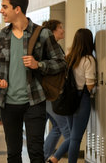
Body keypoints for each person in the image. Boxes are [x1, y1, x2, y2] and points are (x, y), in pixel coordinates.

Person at [0, 0, 66, 162]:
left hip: (34, 101)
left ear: (17, 9)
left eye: (4, 7)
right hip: (7, 103)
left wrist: (38, 64)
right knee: (13, 153)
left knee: (36, 152)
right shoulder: (1, 36)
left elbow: (61, 63)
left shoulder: (42, 34)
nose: (1, 11)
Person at [47, 28, 96, 163]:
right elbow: (90, 85)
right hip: (82, 99)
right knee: (75, 138)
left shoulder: (69, 57)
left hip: (68, 99)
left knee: (72, 135)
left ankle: (54, 159)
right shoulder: (88, 60)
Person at [41, 20, 69, 160]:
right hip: (51, 95)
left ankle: (43, 156)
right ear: (52, 32)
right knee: (68, 131)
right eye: (60, 28)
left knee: (57, 127)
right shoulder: (49, 49)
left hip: (49, 95)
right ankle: (51, 157)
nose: (63, 30)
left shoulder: (57, 47)